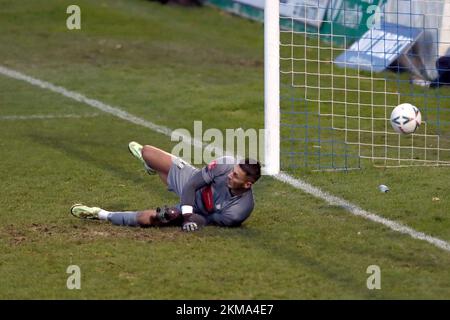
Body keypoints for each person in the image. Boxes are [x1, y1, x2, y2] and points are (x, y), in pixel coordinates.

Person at [70, 142, 261, 232]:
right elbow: (192, 185)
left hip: (198, 211)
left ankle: (100, 214)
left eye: (235, 175)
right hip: (193, 184)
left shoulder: (239, 211)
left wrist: (179, 217)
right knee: (147, 152)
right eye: (233, 170)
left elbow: (207, 220)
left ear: (247, 184)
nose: (230, 174)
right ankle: (151, 166)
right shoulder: (225, 164)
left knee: (149, 219)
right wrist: (186, 215)